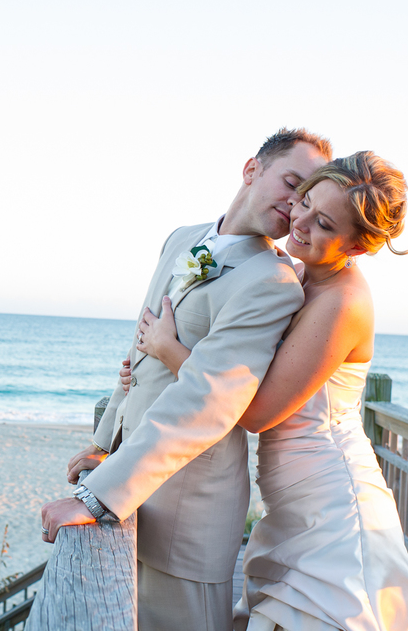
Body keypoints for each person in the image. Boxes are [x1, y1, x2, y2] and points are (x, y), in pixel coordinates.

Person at [40, 128, 332, 631]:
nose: (295, 204)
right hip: (133, 481)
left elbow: (209, 399)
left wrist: (98, 495)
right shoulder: (183, 238)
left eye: (308, 196)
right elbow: (139, 349)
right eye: (290, 181)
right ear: (251, 169)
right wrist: (105, 443)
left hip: (188, 516)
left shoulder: (273, 281)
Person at [132, 151, 408, 630]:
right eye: (305, 200)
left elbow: (257, 413)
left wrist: (170, 350)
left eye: (324, 222)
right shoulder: (297, 274)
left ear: (356, 248)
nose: (300, 220)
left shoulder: (343, 301)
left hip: (330, 503)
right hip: (291, 501)